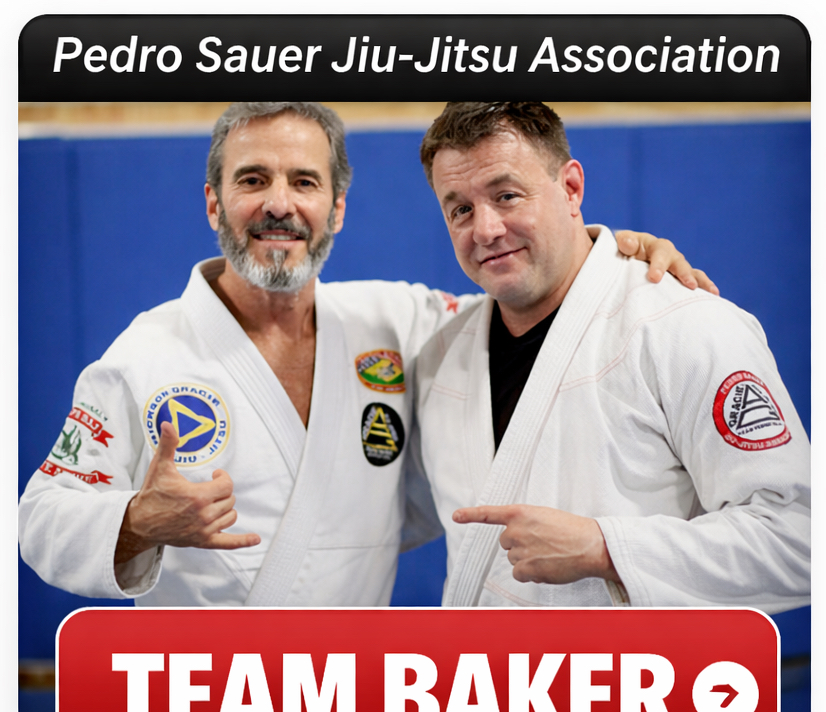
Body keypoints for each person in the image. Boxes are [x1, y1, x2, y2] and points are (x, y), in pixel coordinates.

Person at [18, 101, 710, 607]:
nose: (279, 204)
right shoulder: (145, 354)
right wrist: (138, 522)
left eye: (305, 182)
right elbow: (43, 518)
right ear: (214, 204)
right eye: (252, 180)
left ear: (338, 208)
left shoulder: (397, 322)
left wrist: (606, 253)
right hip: (206, 701)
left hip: (349, 700)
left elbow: (525, 295)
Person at [415, 102, 810, 613]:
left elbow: (799, 539)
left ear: (571, 188)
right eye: (460, 210)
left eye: (507, 196)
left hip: (642, 666)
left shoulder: (684, 326)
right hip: (485, 665)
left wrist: (607, 549)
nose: (485, 229)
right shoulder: (441, 353)